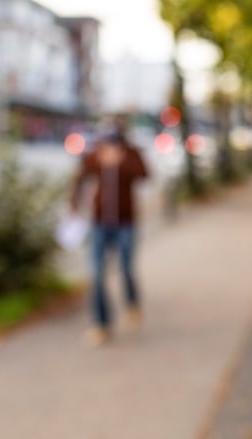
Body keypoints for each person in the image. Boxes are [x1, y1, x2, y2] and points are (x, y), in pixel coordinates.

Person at [70, 126, 149, 346]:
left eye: (114, 144)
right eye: (106, 143)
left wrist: (124, 160)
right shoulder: (95, 158)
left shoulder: (130, 158)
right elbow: (79, 178)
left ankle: (132, 303)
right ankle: (101, 324)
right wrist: (73, 206)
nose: (109, 149)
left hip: (126, 223)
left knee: (126, 268)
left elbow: (144, 174)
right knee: (96, 274)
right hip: (99, 223)